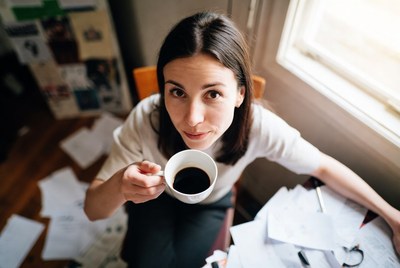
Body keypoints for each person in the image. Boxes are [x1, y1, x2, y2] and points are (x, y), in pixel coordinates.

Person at [84, 11, 400, 267]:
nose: (192, 118)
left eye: (213, 94)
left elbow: (325, 167)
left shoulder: (259, 127)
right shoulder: (146, 118)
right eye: (177, 91)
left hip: (210, 204)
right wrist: (120, 186)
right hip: (155, 200)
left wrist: (393, 217)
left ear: (239, 94)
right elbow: (94, 210)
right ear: (163, 89)